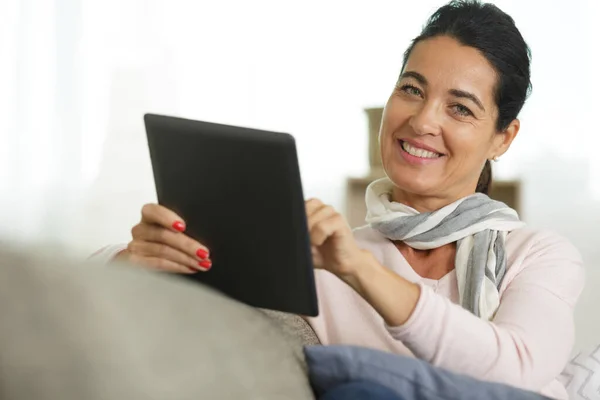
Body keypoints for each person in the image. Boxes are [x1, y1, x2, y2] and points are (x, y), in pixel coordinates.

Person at [94, 1, 584, 399]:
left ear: (503, 137)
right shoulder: (320, 263)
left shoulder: (537, 254)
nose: (422, 120)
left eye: (459, 107)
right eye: (411, 89)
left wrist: (360, 270)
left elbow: (517, 370)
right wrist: (131, 263)